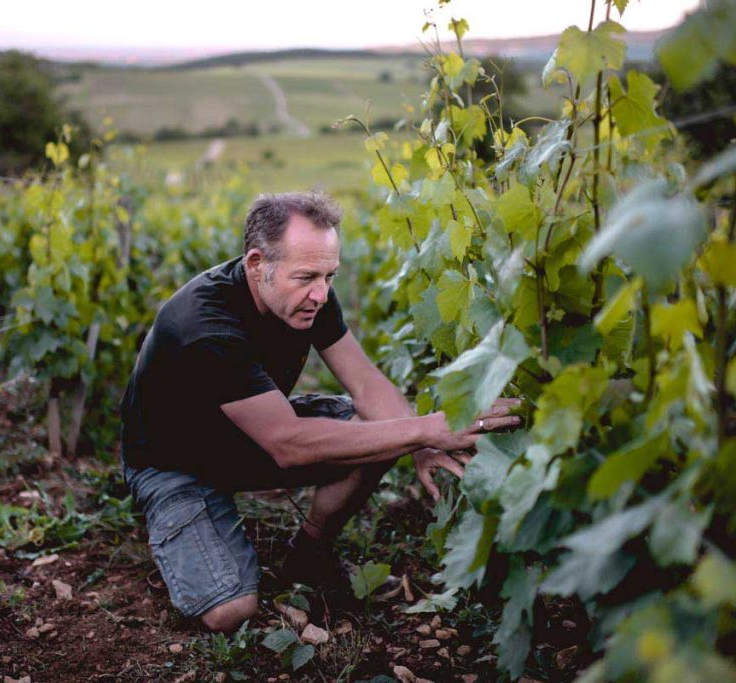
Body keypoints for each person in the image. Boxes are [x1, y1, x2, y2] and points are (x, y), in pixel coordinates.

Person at [119, 191, 520, 632]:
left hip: (252, 434)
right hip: (175, 465)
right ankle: (182, 533)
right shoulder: (204, 325)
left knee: (383, 426)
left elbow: (365, 383)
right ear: (257, 263)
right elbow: (288, 444)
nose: (321, 293)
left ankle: (309, 553)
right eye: (307, 277)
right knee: (230, 611)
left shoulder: (312, 296)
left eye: (330, 276)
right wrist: (426, 429)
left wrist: (420, 443)